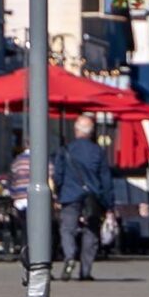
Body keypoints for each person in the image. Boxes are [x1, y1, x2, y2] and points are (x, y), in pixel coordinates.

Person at [53, 115, 113, 282]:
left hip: (70, 195)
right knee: (91, 232)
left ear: (76, 130)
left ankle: (70, 255)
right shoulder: (98, 152)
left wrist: (58, 193)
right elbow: (106, 180)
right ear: (92, 132)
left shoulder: (66, 150)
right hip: (92, 197)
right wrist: (109, 204)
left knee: (67, 229)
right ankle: (85, 271)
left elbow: (58, 175)